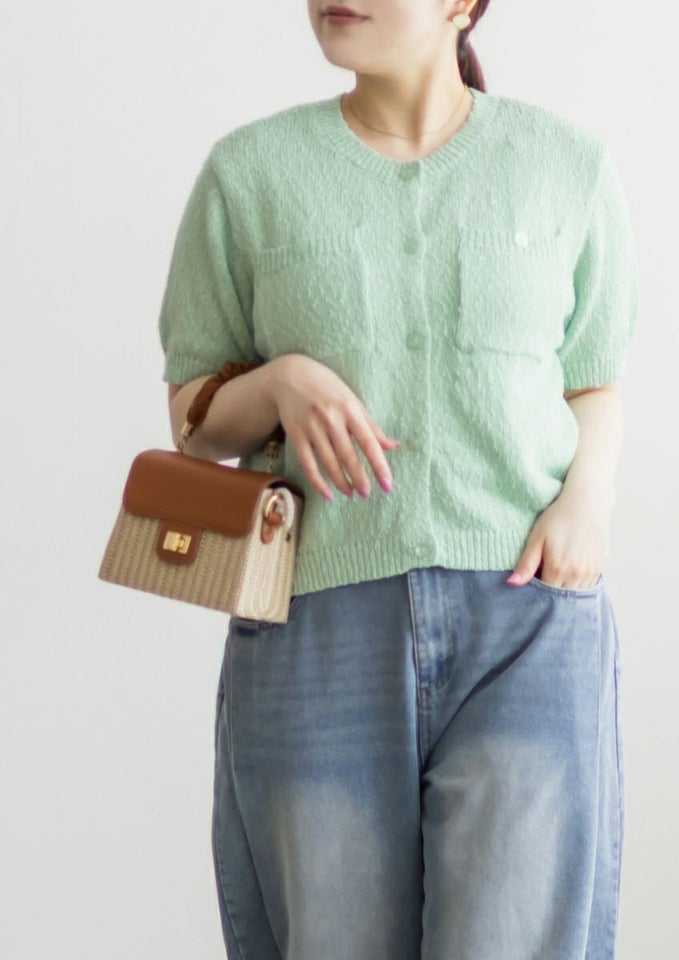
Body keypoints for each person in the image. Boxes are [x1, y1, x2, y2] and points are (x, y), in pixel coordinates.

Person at [158, 1, 639, 957]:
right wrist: (281, 383)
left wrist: (589, 500)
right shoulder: (248, 174)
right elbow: (193, 421)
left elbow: (593, 378)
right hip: (314, 625)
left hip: (528, 619)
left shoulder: (566, 164)